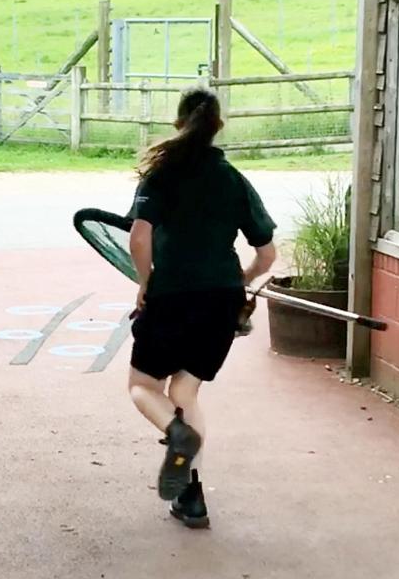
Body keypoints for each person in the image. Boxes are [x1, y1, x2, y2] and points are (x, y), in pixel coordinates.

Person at [127, 87, 277, 529]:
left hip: (171, 296)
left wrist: (145, 282)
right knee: (185, 392)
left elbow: (139, 238)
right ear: (217, 128)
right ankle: (190, 496)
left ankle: (178, 436)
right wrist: (240, 284)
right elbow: (267, 255)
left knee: (142, 385)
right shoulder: (233, 179)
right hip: (220, 304)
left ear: (179, 123)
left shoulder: (160, 174)